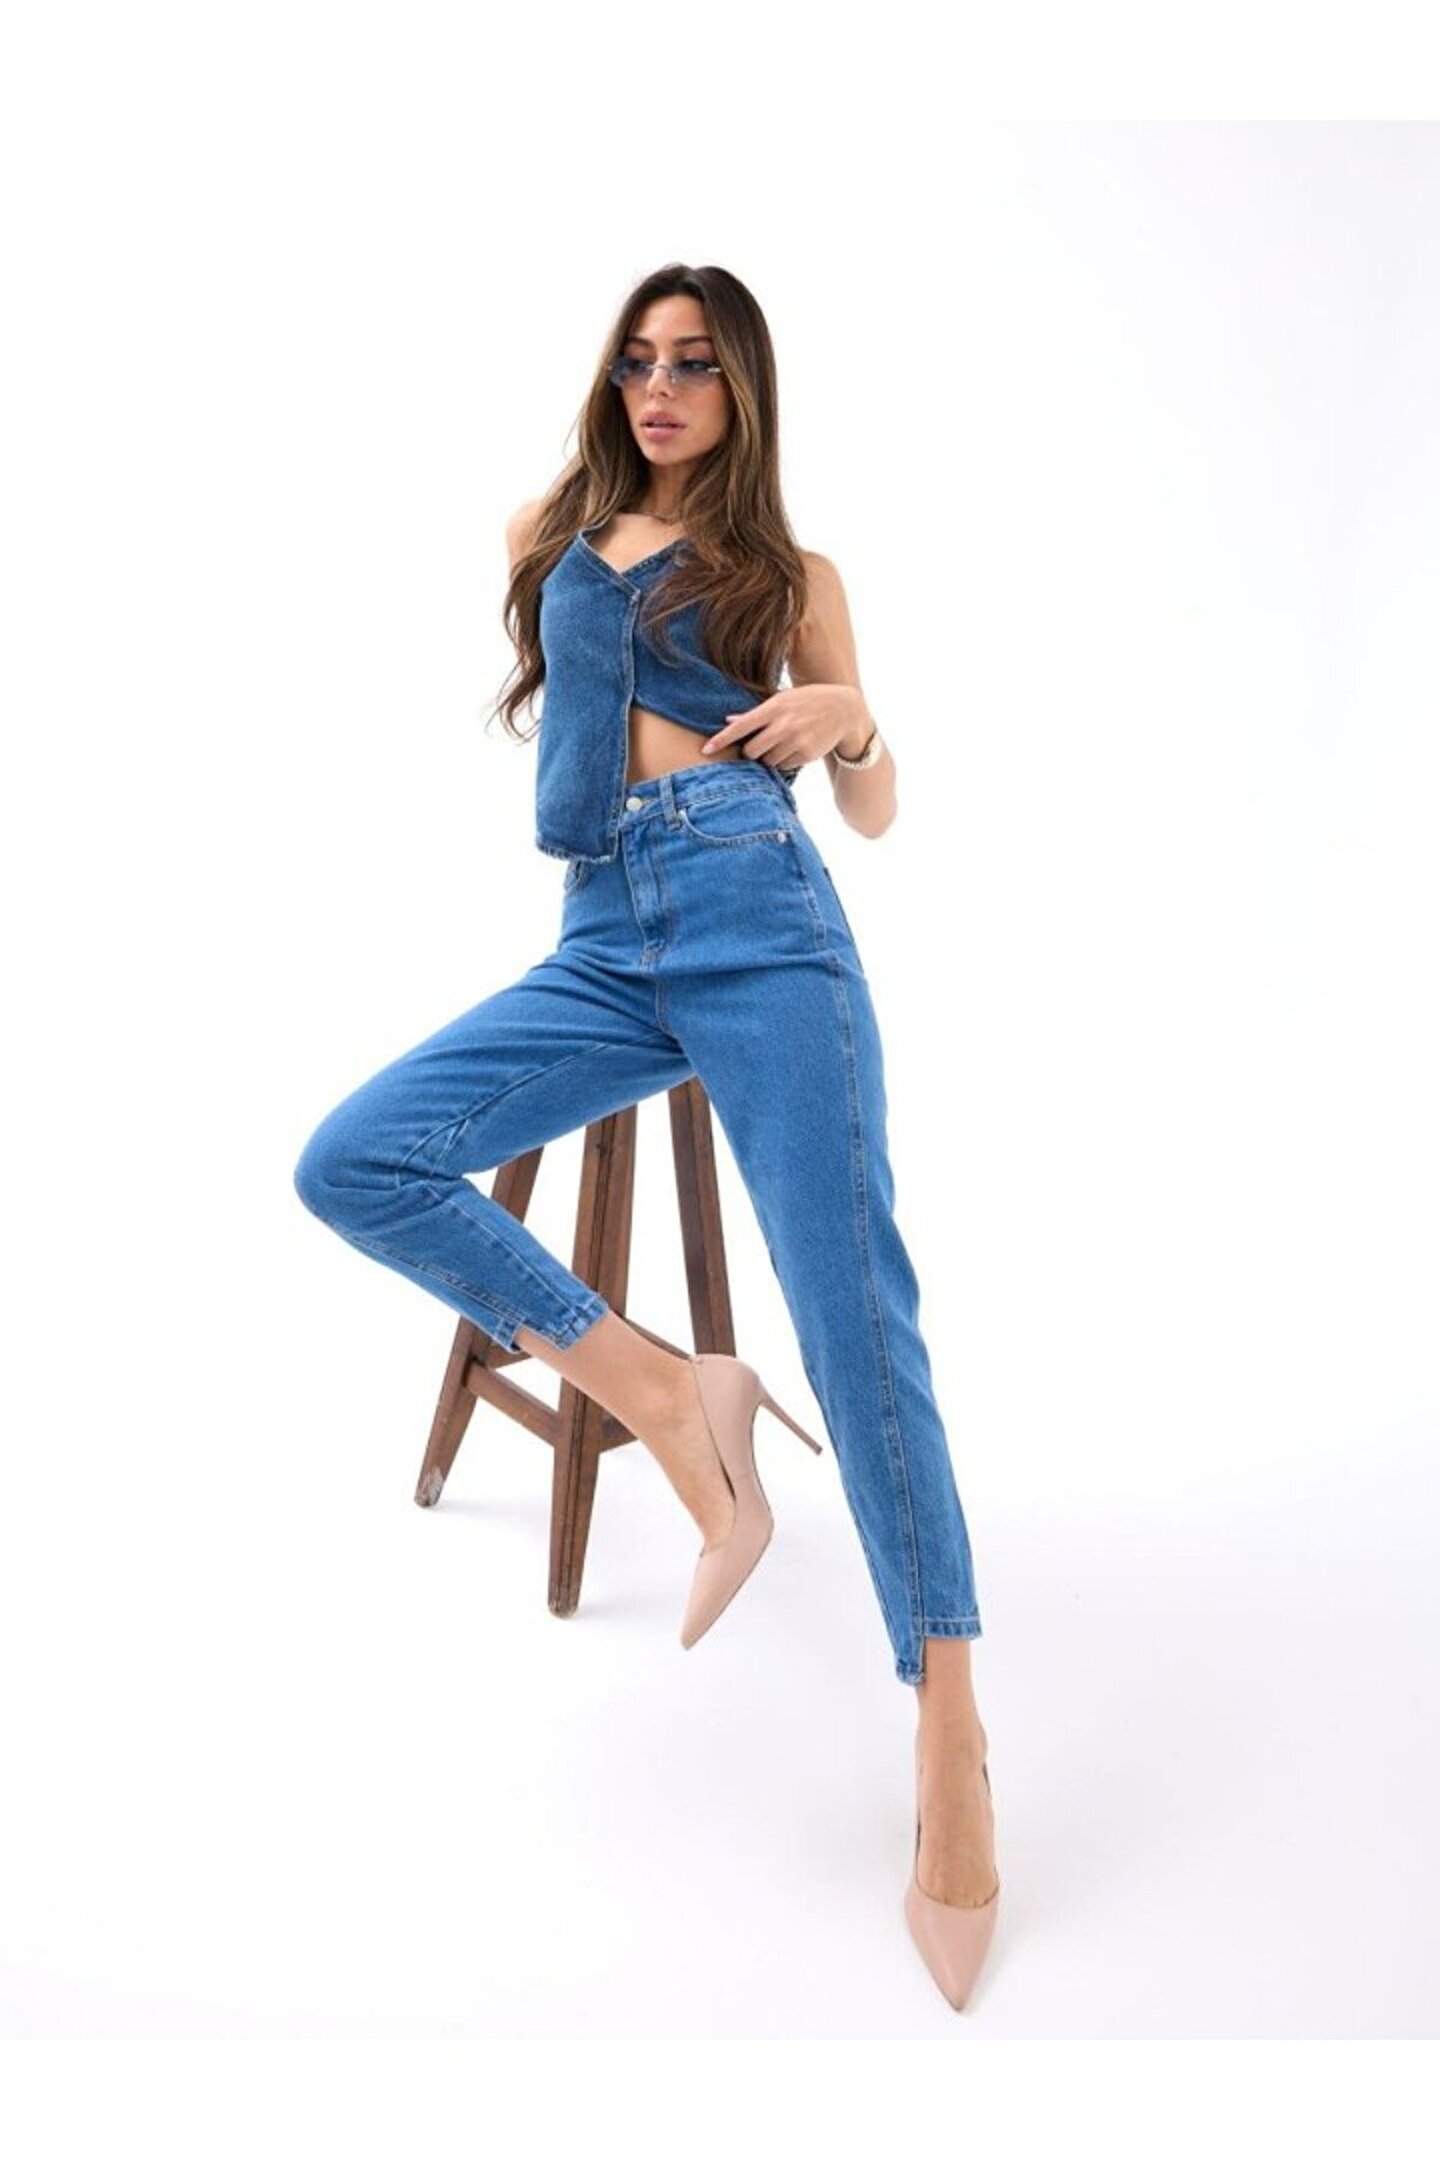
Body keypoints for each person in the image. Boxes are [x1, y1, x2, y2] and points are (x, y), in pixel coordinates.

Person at [293, 262, 1000, 2009]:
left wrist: (856, 721)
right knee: (358, 1158)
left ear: (743, 385)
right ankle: (675, 1396)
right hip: (605, 937)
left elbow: (877, 811)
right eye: (634, 362)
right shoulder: (551, 529)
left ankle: (950, 1728)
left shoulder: (795, 575)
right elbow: (568, 667)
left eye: (692, 363)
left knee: (859, 1321)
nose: (659, 387)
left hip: (763, 917)